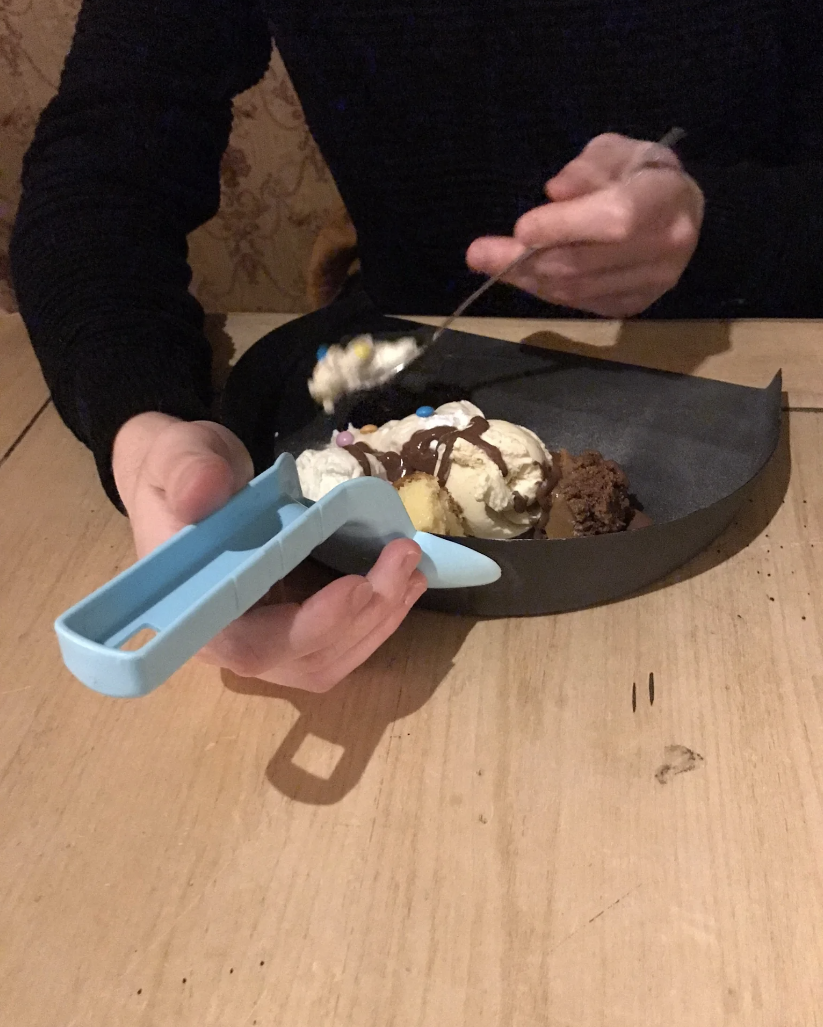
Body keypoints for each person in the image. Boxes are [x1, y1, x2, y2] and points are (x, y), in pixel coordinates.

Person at [11, 0, 823, 690]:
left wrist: (720, 225)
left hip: (768, 412)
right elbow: (99, 177)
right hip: (399, 397)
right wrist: (144, 431)